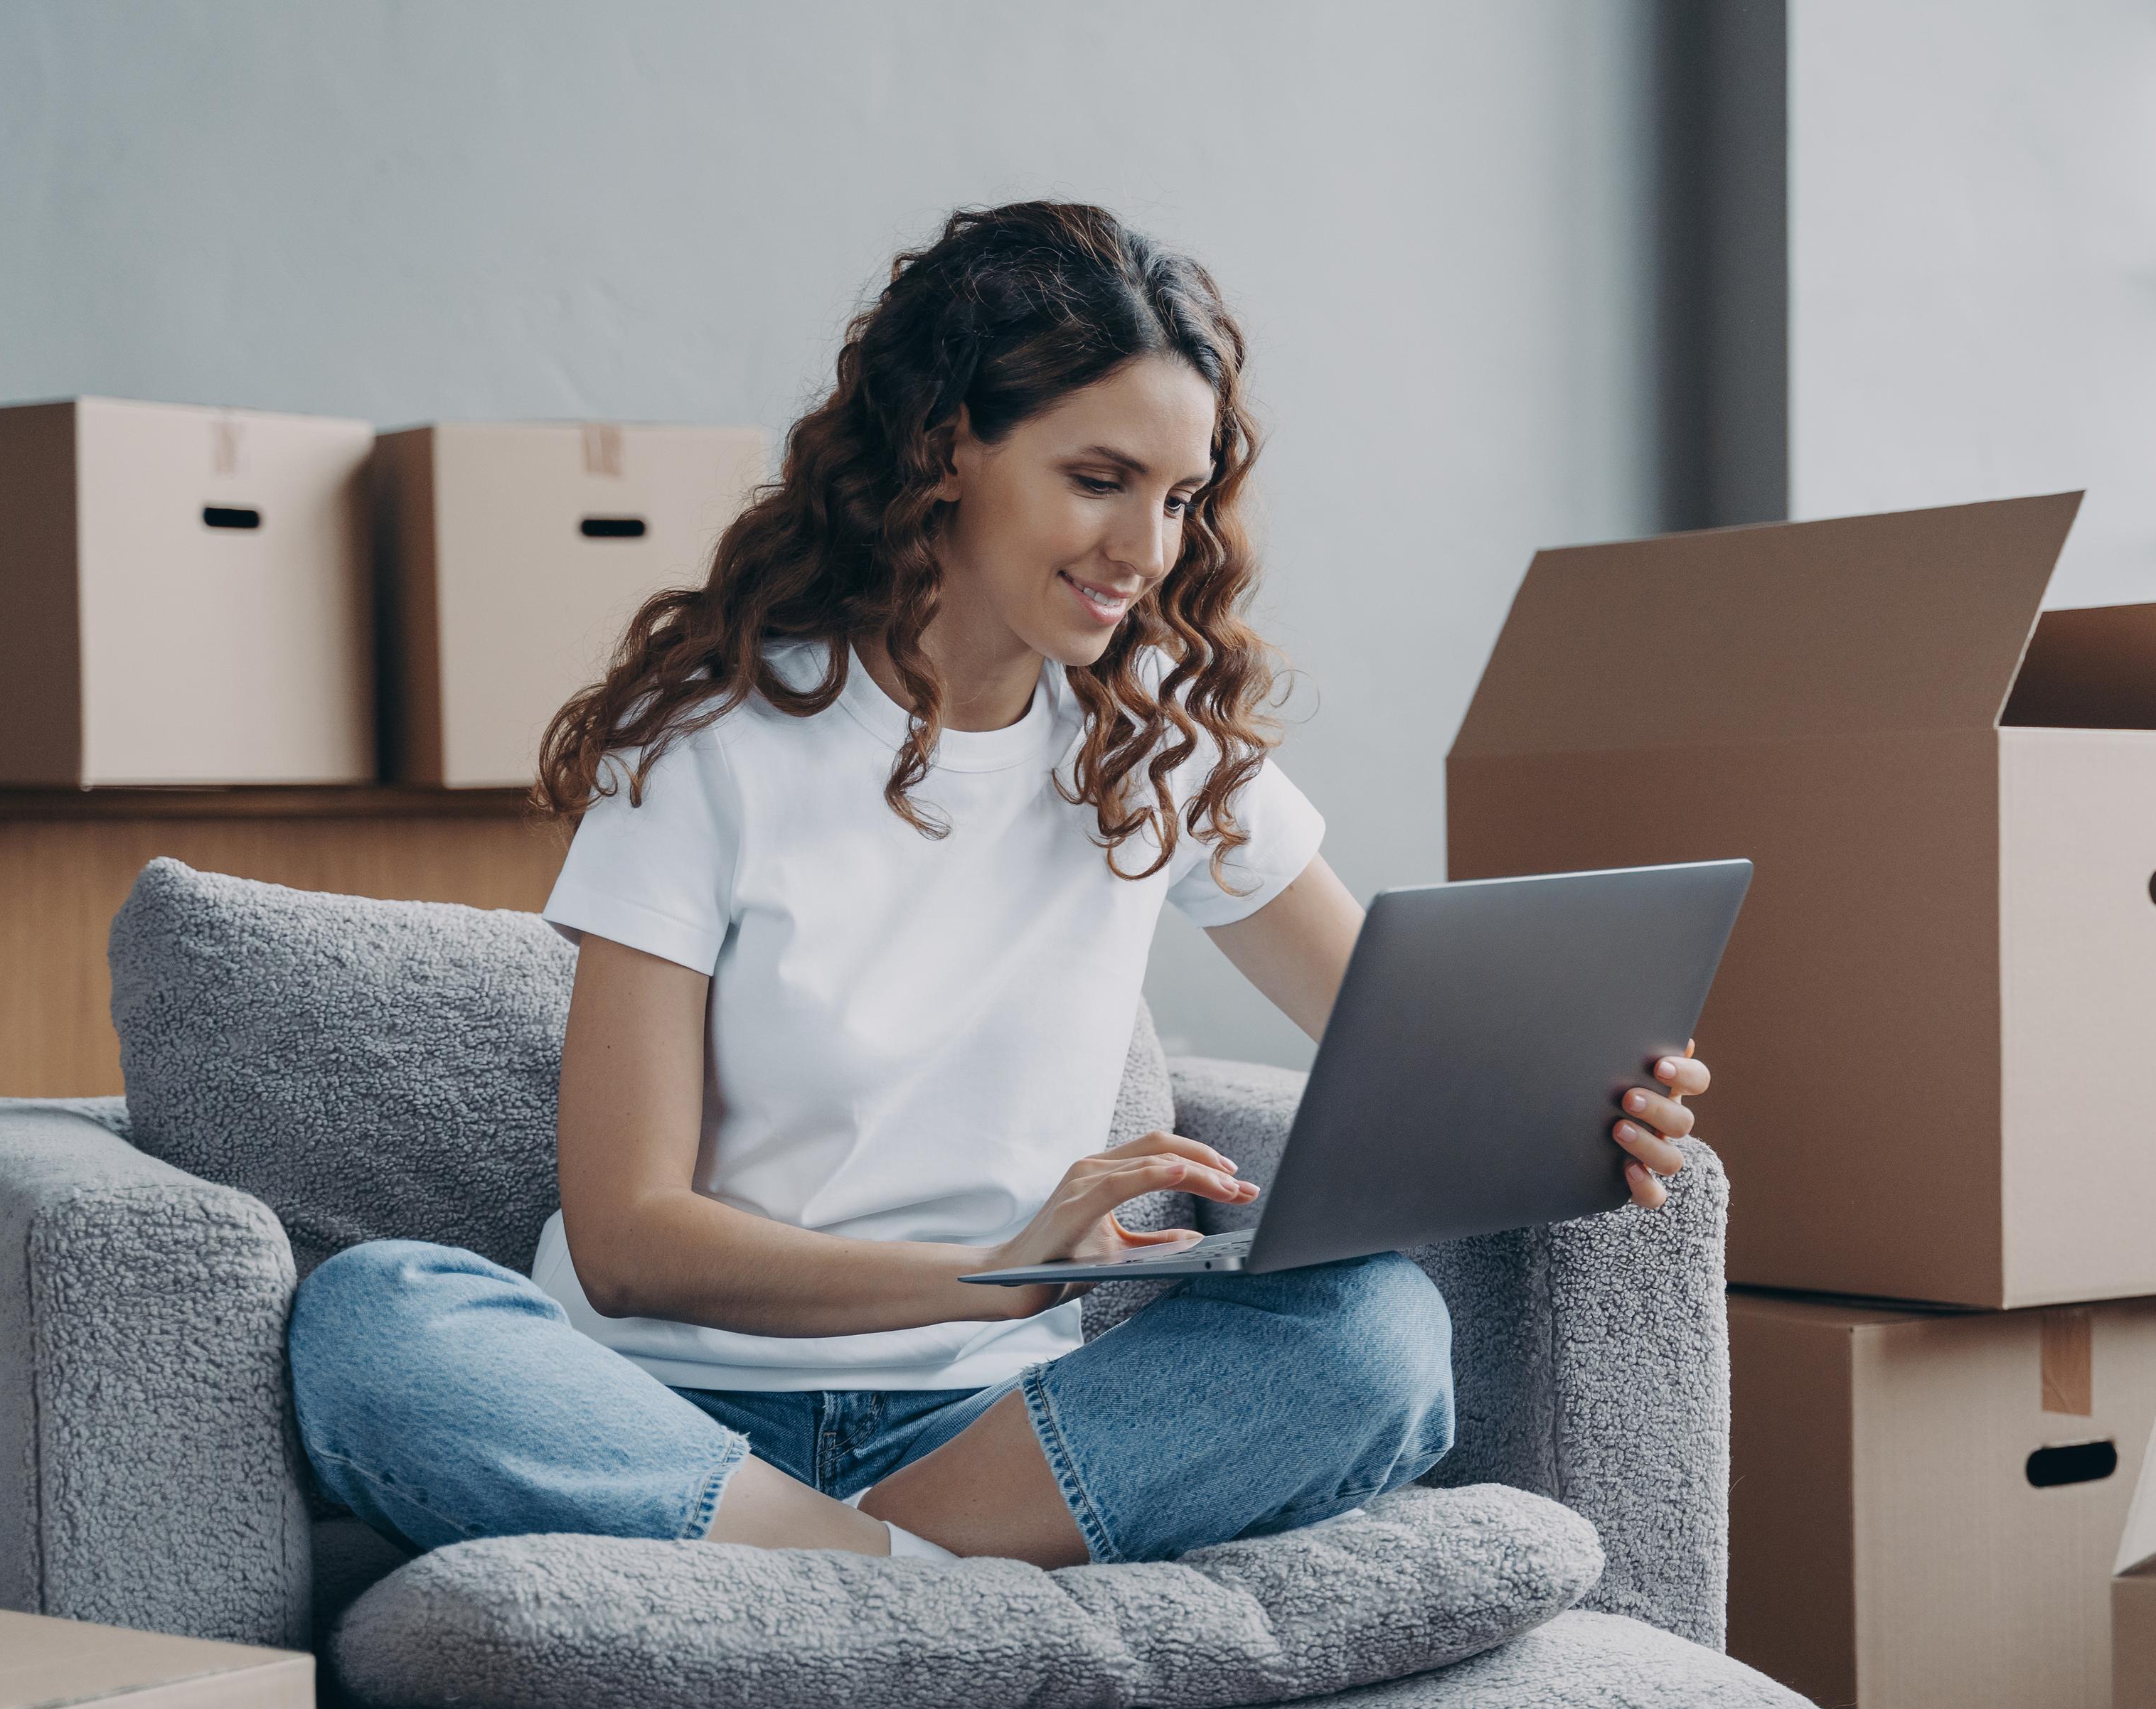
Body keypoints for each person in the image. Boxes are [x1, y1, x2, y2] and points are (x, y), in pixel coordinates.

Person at [289, 201, 1712, 1572]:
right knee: (374, 1321)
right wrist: (1003, 1271)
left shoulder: (1150, 736)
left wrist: (1581, 1106)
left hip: (993, 1435)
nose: (1144, 553)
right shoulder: (713, 745)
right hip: (664, 1409)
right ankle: (903, 1579)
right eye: (1096, 481)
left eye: (1175, 497)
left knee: (1375, 1337)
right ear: (947, 447)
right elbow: (628, 1242)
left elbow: (1408, 1038)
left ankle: (804, 1570)